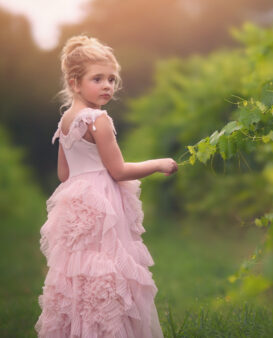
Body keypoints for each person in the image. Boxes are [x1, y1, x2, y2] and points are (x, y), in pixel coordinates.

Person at [35, 35, 176, 338]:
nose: (107, 86)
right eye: (97, 79)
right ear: (75, 83)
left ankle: (78, 329)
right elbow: (119, 170)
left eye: (112, 79)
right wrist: (159, 164)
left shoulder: (65, 121)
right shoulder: (99, 120)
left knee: (79, 272)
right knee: (107, 269)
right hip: (102, 202)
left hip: (76, 203)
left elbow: (63, 173)